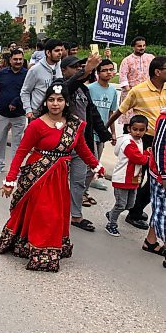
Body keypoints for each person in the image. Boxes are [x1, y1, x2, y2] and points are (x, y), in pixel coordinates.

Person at [0, 80, 104, 272]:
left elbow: (83, 149)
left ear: (66, 102)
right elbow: (21, 151)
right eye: (51, 100)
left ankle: (44, 247)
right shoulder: (37, 125)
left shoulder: (74, 125)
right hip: (39, 175)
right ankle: (40, 251)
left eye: (60, 100)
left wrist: (96, 166)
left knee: (56, 214)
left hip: (60, 177)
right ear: (45, 102)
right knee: (44, 213)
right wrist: (11, 178)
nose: (55, 104)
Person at [107, 56, 166, 230]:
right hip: (145, 140)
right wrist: (106, 129)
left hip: (162, 140)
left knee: (155, 179)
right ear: (157, 72)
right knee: (145, 177)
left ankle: (135, 208)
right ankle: (132, 212)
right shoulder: (138, 91)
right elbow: (120, 111)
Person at [60, 54, 112, 231]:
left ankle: (76, 216)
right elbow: (66, 88)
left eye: (80, 66)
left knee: (79, 181)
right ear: (63, 70)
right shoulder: (59, 86)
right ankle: (54, 212)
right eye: (74, 67)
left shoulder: (84, 90)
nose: (78, 70)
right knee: (55, 182)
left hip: (80, 144)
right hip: (60, 145)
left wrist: (105, 134)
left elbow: (94, 115)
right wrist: (86, 70)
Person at [106, 115, 150, 237]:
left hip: (133, 179)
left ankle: (112, 214)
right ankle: (111, 224)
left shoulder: (138, 141)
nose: (138, 132)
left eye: (141, 130)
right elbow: (138, 158)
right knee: (121, 204)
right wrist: (149, 157)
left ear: (146, 130)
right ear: (129, 128)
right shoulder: (128, 143)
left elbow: (141, 155)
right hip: (122, 179)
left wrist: (146, 153)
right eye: (135, 129)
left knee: (130, 204)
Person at [0, 49, 27, 174]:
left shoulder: (27, 74)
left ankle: (15, 167)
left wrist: (17, 102)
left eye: (20, 59)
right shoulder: (3, 73)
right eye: (15, 59)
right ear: (10, 60)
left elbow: (29, 90)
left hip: (19, 114)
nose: (18, 61)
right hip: (2, 113)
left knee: (17, 143)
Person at [86, 59, 118, 192]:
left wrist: (113, 132)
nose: (108, 73)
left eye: (111, 70)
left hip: (102, 132)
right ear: (98, 73)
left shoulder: (113, 91)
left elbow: (111, 113)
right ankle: (83, 190)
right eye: (104, 70)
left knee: (97, 159)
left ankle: (89, 183)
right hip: (89, 131)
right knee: (91, 160)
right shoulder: (90, 89)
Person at [118, 36, 155, 132]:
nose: (142, 48)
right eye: (139, 46)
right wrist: (130, 91)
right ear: (133, 47)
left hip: (147, 93)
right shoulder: (127, 60)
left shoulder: (150, 58)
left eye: (144, 45)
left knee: (146, 119)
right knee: (130, 123)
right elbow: (123, 77)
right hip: (131, 94)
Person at [20, 39, 64, 119]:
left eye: (61, 50)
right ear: (48, 53)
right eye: (57, 50)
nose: (60, 53)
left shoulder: (61, 66)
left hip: (55, 111)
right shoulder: (35, 70)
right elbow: (25, 91)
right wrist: (28, 110)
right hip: (38, 113)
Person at [144, 108, 166, 265]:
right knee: (162, 210)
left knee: (160, 208)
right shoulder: (165, 119)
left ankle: (150, 240)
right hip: (161, 172)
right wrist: (163, 174)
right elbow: (159, 147)